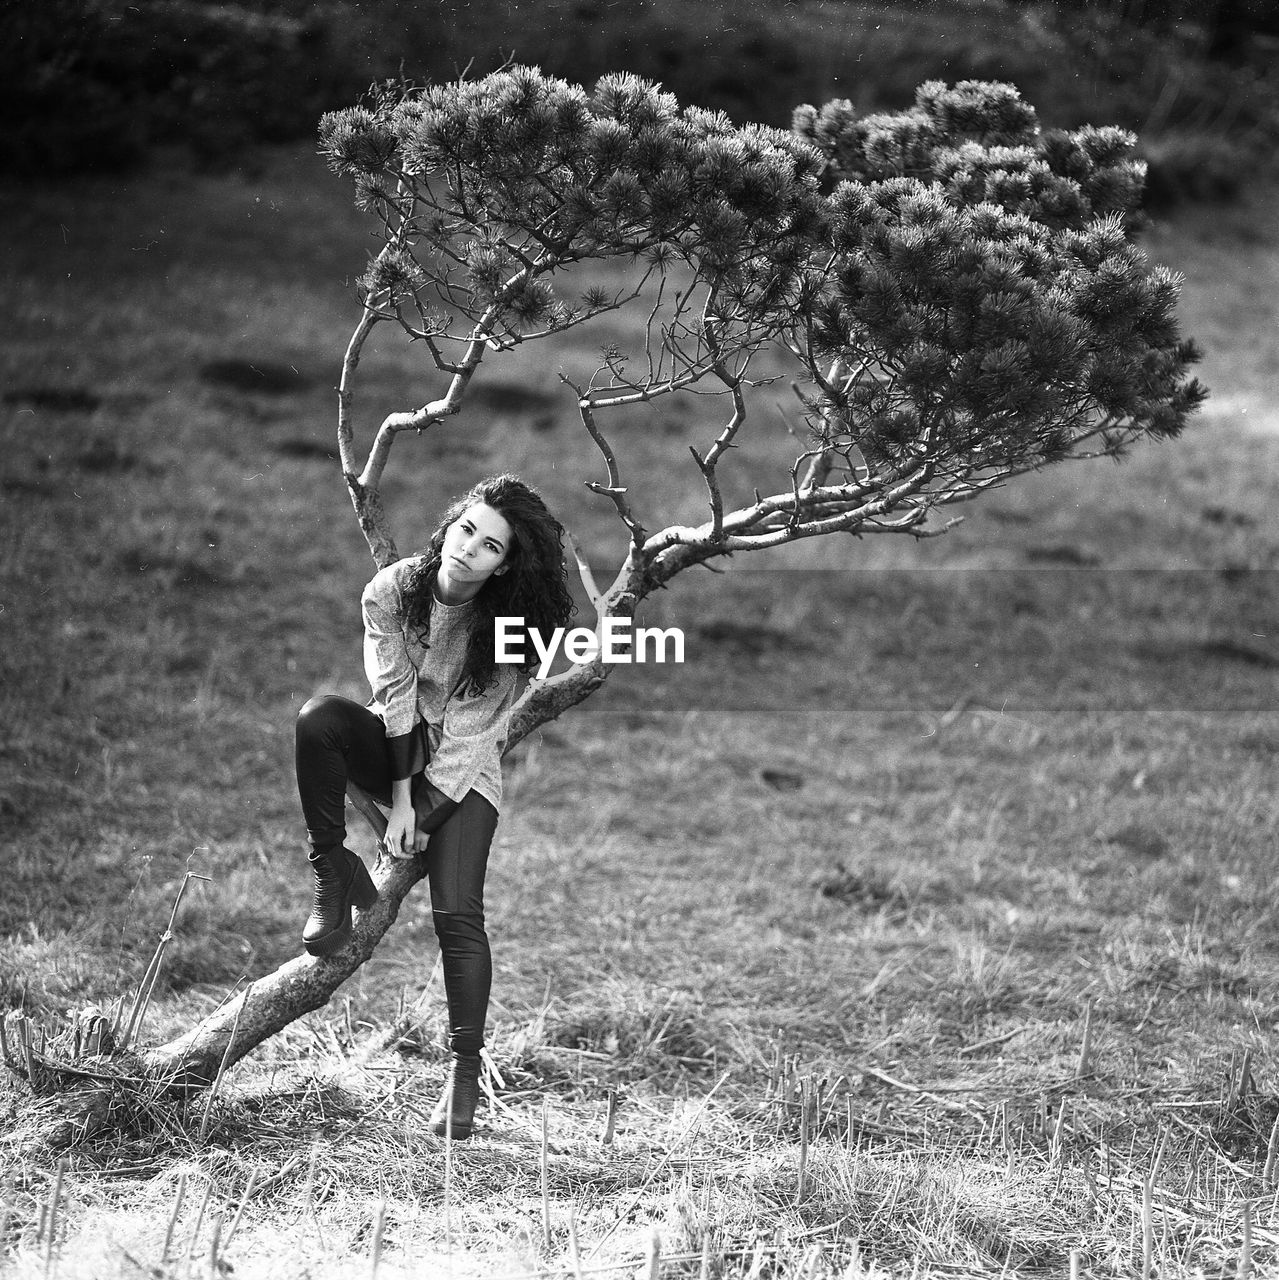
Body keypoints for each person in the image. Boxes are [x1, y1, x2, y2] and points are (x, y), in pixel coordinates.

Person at [293, 474, 574, 1139]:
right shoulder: (391, 590)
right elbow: (391, 698)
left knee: (457, 915)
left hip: (462, 772)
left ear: (506, 565)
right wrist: (396, 802)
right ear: (450, 524)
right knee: (318, 720)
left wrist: (420, 811)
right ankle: (334, 874)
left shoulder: (511, 628)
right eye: (466, 529)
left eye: (489, 546)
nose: (468, 548)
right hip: (396, 747)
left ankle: (464, 1070)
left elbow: (475, 737)